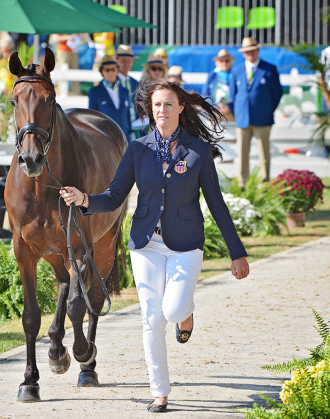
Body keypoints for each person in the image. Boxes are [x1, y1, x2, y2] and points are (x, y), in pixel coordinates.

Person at [60, 79, 250, 413]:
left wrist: (237, 252)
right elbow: (116, 196)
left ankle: (186, 313)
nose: (161, 110)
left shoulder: (198, 151)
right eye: (156, 105)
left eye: (168, 104)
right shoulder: (138, 149)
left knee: (173, 310)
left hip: (186, 244)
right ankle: (160, 392)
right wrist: (85, 199)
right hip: (145, 244)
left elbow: (217, 204)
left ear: (181, 108)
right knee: (151, 319)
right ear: (151, 110)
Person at [228, 37, 282, 187]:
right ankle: (242, 183)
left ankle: (264, 183)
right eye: (247, 52)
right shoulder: (237, 70)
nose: (250, 54)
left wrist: (267, 109)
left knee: (263, 153)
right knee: (242, 153)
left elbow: (276, 93)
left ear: (258, 50)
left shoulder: (269, 69)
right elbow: (232, 95)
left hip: (262, 119)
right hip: (242, 119)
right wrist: (237, 113)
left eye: (252, 50)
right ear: (243, 54)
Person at [87, 55, 132, 139]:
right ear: (102, 72)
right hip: (105, 139)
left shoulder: (124, 91)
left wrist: (130, 133)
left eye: (113, 69)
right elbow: (92, 118)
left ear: (117, 70)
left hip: (124, 139)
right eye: (107, 70)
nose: (111, 72)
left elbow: (127, 117)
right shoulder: (94, 92)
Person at [201, 49, 235, 121]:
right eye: (222, 61)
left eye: (227, 60)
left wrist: (229, 107)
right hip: (214, 113)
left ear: (230, 62)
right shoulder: (212, 76)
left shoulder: (235, 75)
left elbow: (239, 95)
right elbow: (204, 95)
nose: (224, 63)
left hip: (231, 114)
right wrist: (216, 106)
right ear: (218, 62)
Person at [116, 44, 139, 122]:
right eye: (123, 61)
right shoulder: (111, 82)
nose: (126, 63)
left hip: (134, 123)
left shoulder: (135, 82)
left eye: (129, 61)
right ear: (117, 61)